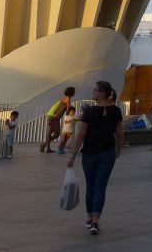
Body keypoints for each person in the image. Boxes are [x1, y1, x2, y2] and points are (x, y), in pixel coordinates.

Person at [65, 80, 124, 235]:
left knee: (91, 186)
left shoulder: (89, 112)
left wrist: (73, 155)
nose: (93, 93)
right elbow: (119, 134)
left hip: (90, 153)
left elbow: (81, 135)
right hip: (108, 152)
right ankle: (96, 219)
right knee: (100, 186)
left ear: (103, 93)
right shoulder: (116, 111)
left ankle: (91, 218)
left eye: (96, 90)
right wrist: (118, 149)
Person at [42, 86, 76, 154]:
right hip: (55, 118)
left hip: (51, 117)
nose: (75, 92)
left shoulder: (64, 98)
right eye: (74, 91)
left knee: (49, 133)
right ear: (72, 92)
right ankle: (44, 144)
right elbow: (69, 110)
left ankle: (47, 148)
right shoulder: (68, 99)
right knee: (57, 134)